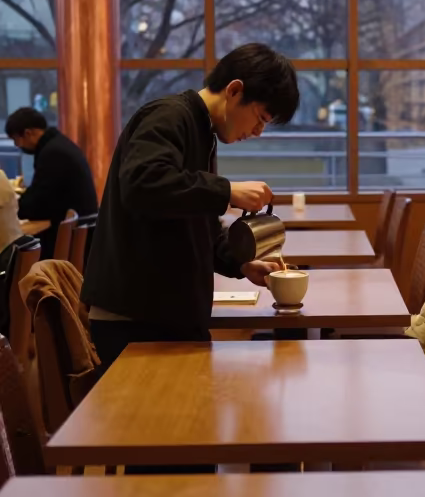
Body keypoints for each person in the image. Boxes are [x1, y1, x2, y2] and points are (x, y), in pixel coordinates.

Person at [82, 43, 300, 372]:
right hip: (135, 319)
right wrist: (227, 190)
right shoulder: (168, 116)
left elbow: (197, 226)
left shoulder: (202, 132)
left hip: (161, 314)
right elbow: (142, 184)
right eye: (260, 118)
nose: (257, 132)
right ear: (235, 91)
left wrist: (241, 264)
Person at [5, 107, 98, 258]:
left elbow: (36, 204)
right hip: (80, 232)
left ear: (28, 133)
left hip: (72, 240)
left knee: (16, 250)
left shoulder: (53, 153)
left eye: (16, 139)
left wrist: (13, 209)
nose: (17, 146)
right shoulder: (57, 145)